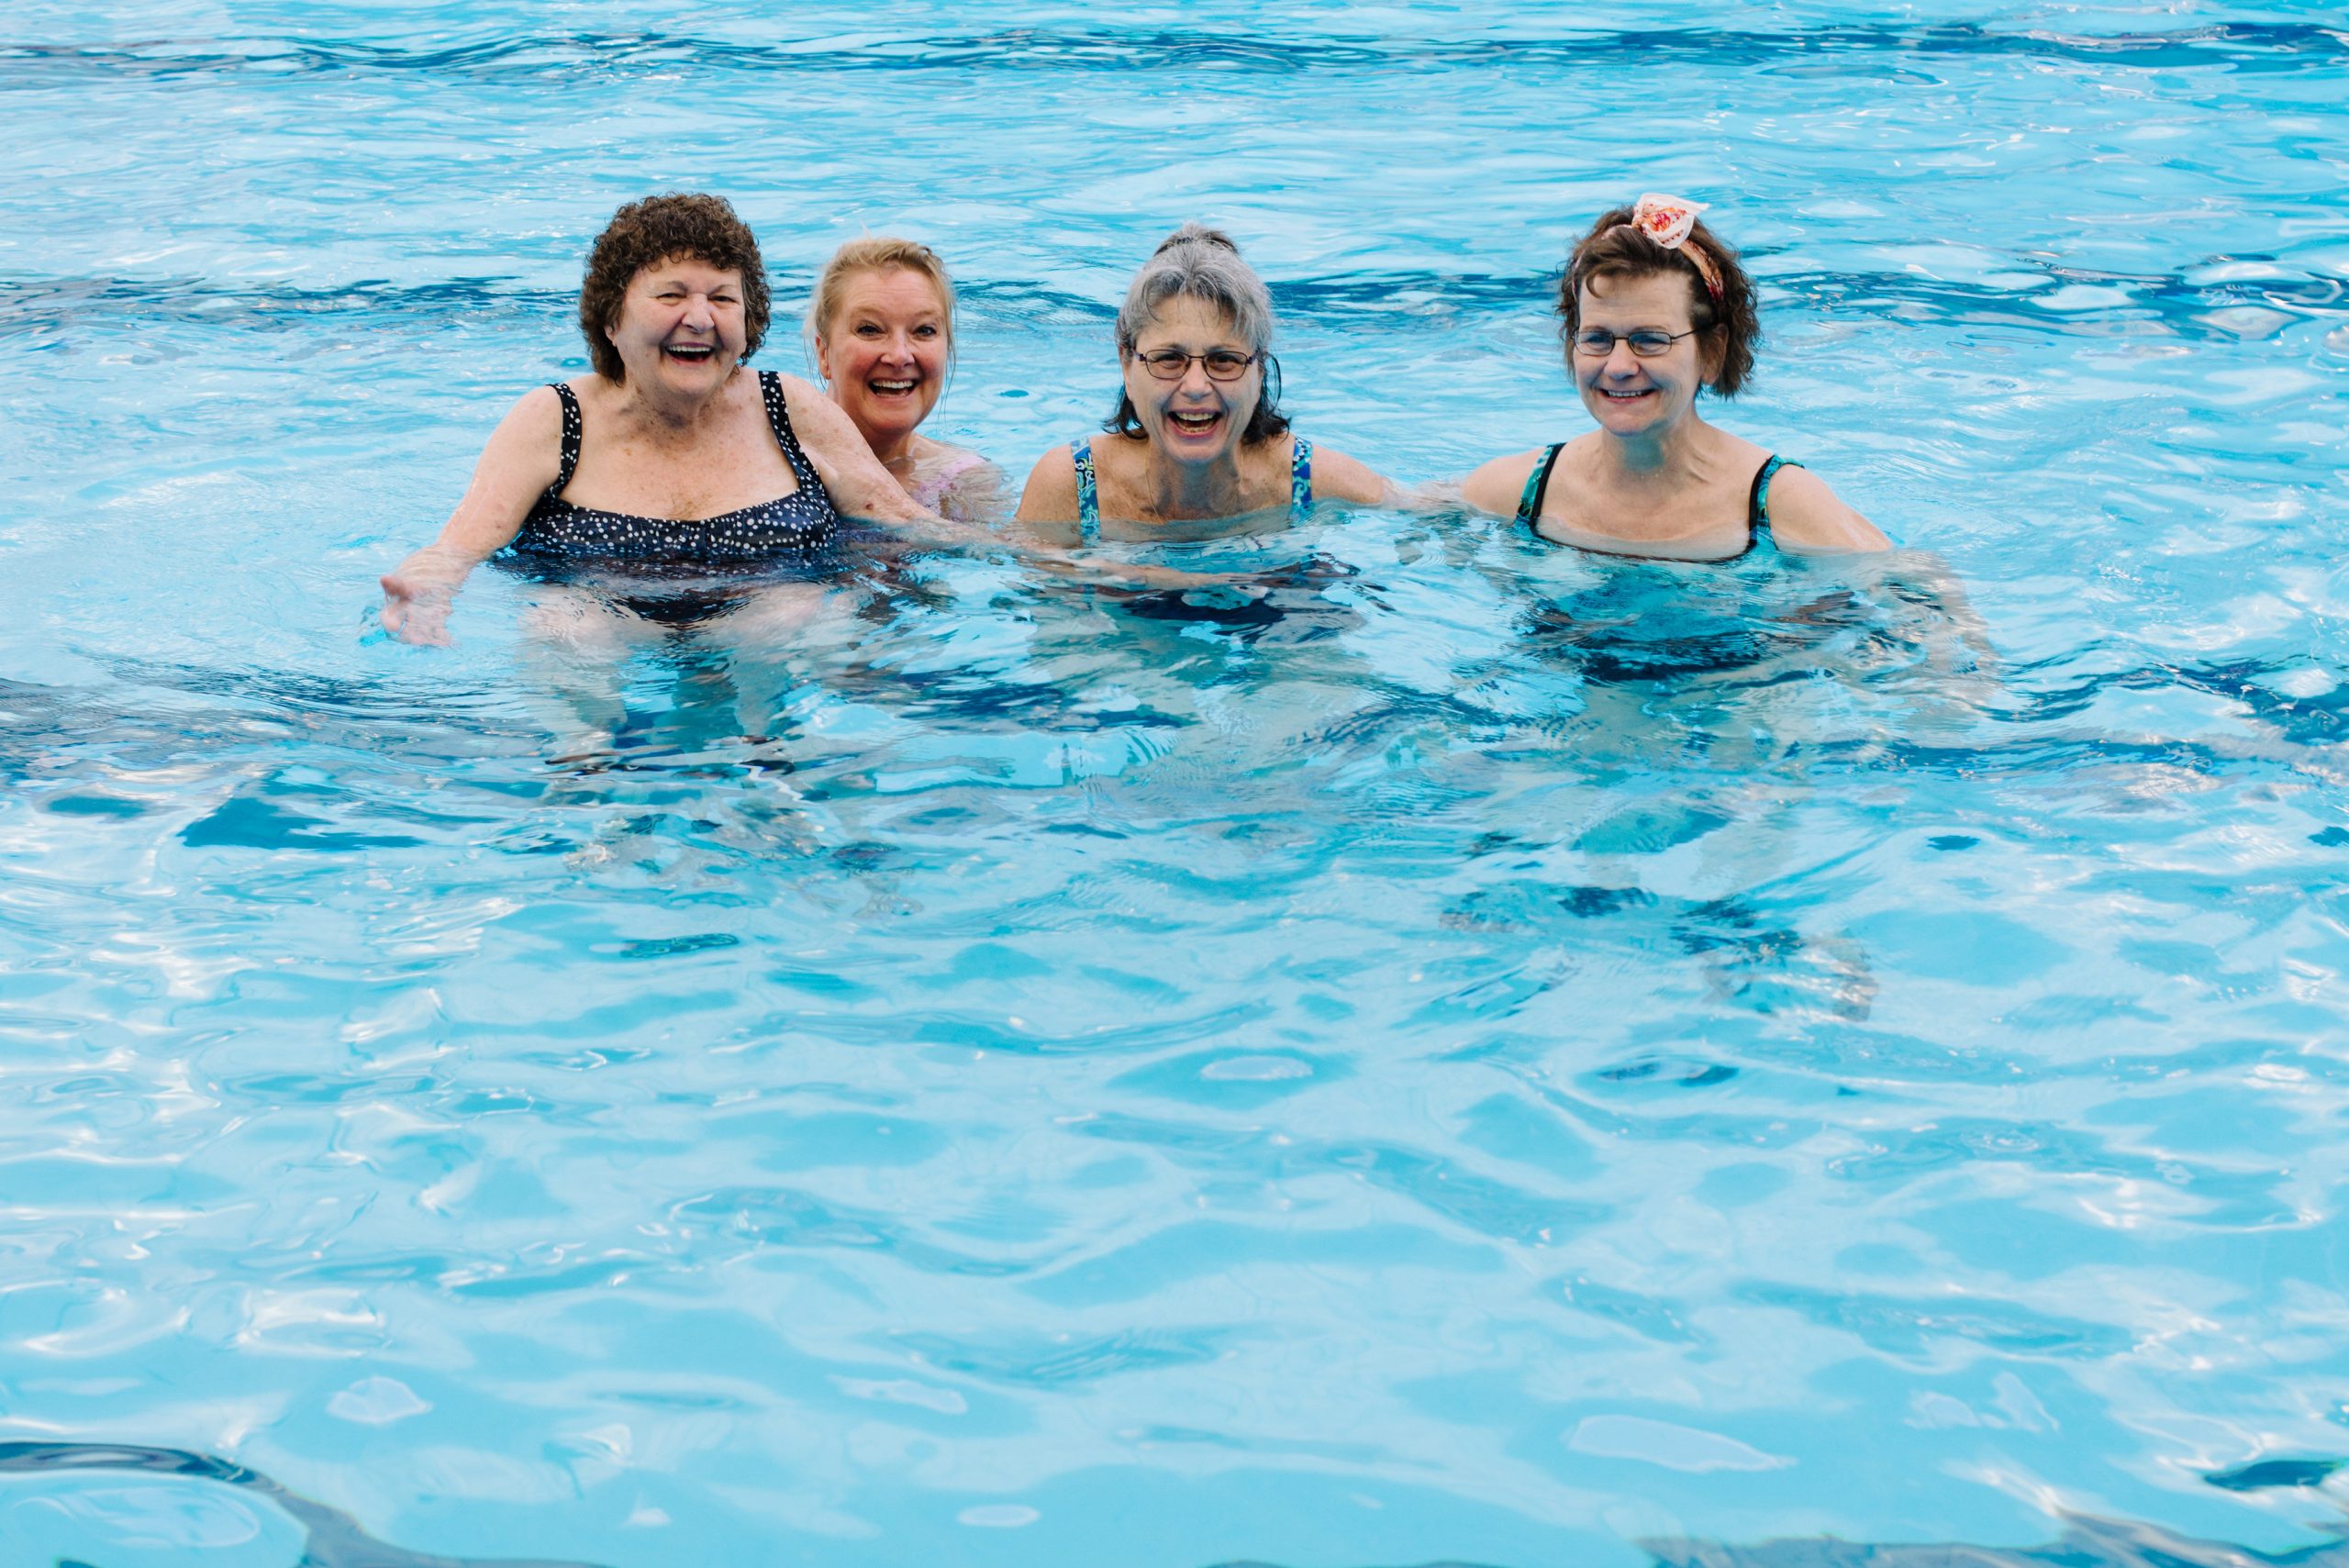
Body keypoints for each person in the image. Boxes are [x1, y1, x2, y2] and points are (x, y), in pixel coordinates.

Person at [378, 193, 938, 645]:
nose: (699, 319)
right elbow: (458, 547)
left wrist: (1018, 562)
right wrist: (427, 591)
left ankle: (767, 771)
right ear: (612, 320)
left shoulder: (788, 408)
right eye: (671, 295)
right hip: (600, 619)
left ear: (749, 322)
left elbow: (905, 521)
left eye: (723, 299)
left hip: (768, 623)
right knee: (563, 623)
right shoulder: (554, 420)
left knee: (790, 610)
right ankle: (585, 773)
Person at [1460, 195, 1889, 561]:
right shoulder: (1519, 492)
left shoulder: (1778, 506)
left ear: (1712, 352)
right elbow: (1429, 516)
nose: (1620, 366)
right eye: (1597, 338)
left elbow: (1913, 583)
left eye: (1650, 340)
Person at [1014, 223, 1387, 540]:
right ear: (1127, 365)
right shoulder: (1073, 488)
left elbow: (1425, 515)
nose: (1195, 386)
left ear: (1259, 370)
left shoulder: (1314, 481)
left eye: (1223, 360)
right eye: (1169, 359)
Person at [807, 236, 997, 521]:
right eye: (870, 329)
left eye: (924, 330)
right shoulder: (771, 461)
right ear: (824, 353)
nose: (900, 356)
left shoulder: (963, 479)